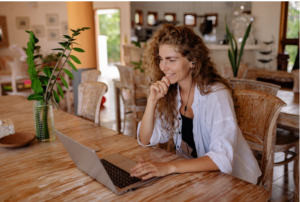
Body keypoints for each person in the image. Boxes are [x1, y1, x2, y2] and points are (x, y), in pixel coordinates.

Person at [130, 24, 261, 184]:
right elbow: (146, 139)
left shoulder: (216, 95)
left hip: (234, 182)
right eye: (161, 59)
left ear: (192, 60)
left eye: (171, 60)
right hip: (197, 177)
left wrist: (169, 167)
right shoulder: (172, 91)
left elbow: (222, 158)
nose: (163, 67)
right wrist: (152, 101)